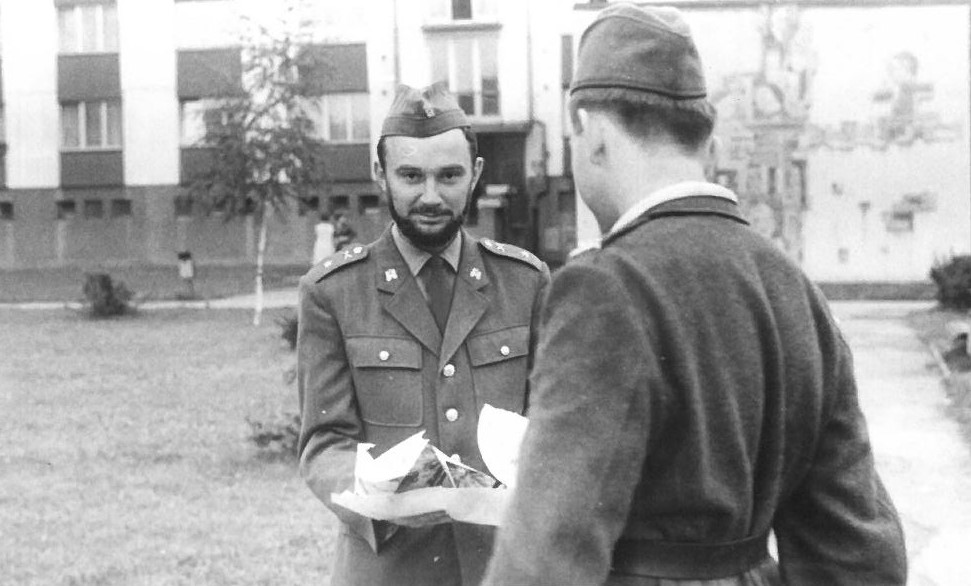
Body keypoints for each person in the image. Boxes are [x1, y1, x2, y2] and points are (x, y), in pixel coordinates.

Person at [483, 5, 906, 586]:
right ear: (708, 142)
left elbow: (545, 556)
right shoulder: (792, 287)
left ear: (593, 134)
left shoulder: (603, 288)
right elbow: (859, 552)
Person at [296, 82, 550, 586]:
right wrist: (379, 486)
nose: (430, 197)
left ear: (475, 174)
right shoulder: (333, 292)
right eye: (411, 176)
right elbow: (323, 444)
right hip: (389, 568)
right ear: (381, 175)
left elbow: (553, 424)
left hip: (503, 567)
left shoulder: (525, 283)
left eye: (449, 175)